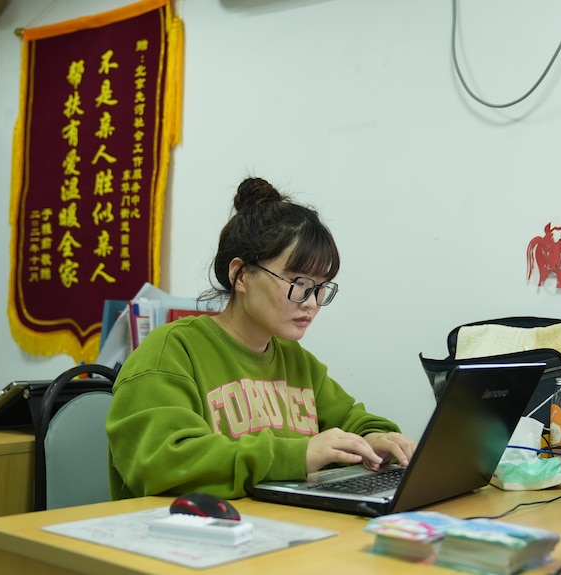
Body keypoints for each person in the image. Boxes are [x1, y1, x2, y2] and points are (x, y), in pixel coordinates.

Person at [105, 177, 417, 499]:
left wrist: (376, 438)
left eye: (321, 287)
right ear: (241, 275)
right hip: (185, 539)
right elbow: (162, 463)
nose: (311, 302)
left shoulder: (297, 362)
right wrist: (297, 456)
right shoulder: (172, 351)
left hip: (270, 531)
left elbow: (352, 420)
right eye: (298, 283)